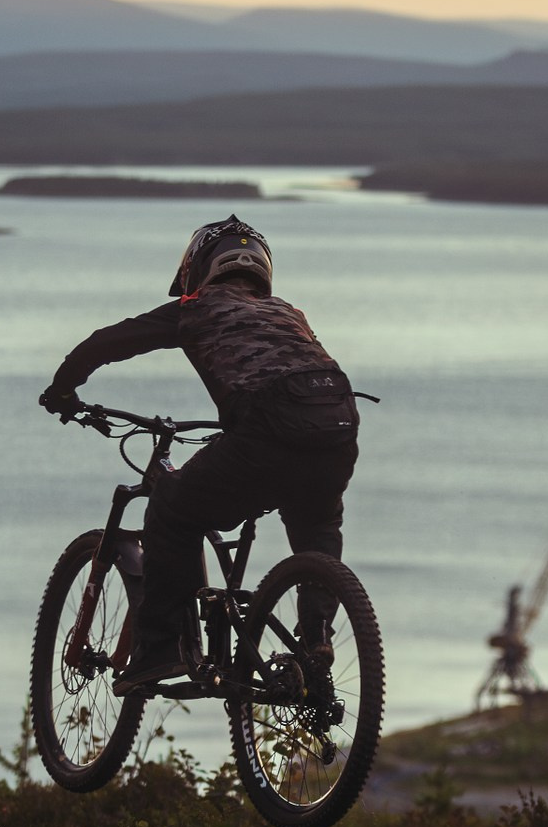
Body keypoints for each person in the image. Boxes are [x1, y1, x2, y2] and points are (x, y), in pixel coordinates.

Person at [38, 216, 362, 693]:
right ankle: (315, 644)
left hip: (264, 436)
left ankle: (162, 649)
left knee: (171, 506)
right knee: (316, 525)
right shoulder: (289, 313)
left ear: (199, 267)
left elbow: (108, 342)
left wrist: (63, 389)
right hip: (336, 432)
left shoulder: (196, 308)